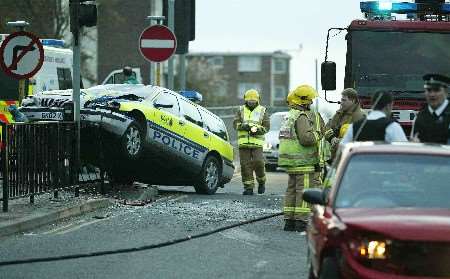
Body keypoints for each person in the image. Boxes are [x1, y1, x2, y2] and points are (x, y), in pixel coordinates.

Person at [278, 85, 325, 232]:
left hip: (291, 161)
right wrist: (319, 133)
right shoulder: (301, 116)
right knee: (303, 191)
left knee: (291, 190)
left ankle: (289, 221)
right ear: (303, 101)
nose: (311, 103)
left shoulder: (289, 115)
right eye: (309, 101)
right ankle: (301, 221)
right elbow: (306, 139)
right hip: (303, 162)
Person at [233, 89, 270, 195]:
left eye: (253, 101)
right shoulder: (240, 110)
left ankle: (262, 182)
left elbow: (267, 127)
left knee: (258, 163)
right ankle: (248, 187)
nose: (251, 102)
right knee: (245, 165)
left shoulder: (263, 110)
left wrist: (258, 130)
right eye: (249, 100)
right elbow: (235, 124)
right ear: (246, 100)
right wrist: (243, 126)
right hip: (243, 144)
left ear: (257, 100)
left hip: (257, 144)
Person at [341, 91, 407, 144]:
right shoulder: (393, 126)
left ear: (372, 104)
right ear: (388, 106)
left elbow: (342, 150)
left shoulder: (353, 127)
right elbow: (404, 151)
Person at [325, 88, 365, 159]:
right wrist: (332, 138)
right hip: (337, 157)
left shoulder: (360, 116)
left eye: (344, 100)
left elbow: (360, 139)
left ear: (353, 100)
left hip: (351, 158)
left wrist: (340, 141)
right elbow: (326, 128)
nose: (341, 102)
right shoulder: (339, 113)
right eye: (341, 100)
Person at [411, 73, 450, 144]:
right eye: (429, 90)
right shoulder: (420, 116)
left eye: (436, 90)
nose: (432, 95)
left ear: (446, 92)